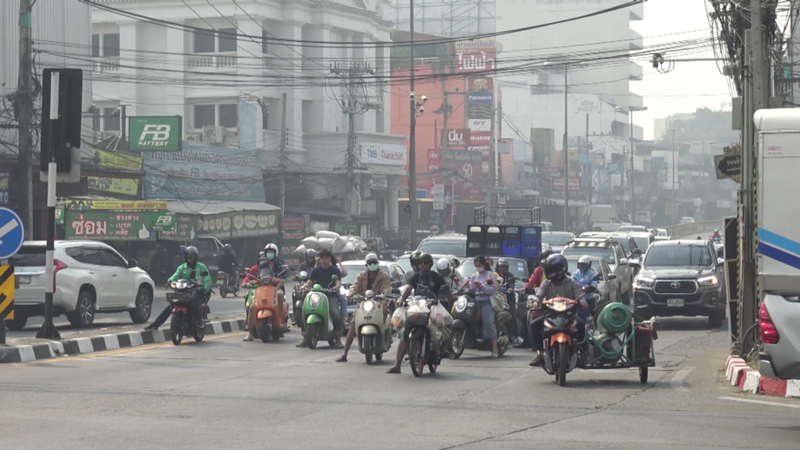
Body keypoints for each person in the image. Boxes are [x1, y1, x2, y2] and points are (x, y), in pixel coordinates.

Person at [386, 253, 449, 374]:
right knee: (404, 333)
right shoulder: (415, 277)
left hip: (433, 306)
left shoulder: (437, 277)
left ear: (430, 264)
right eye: (420, 263)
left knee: (447, 323)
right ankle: (397, 366)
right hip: (416, 306)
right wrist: (401, 299)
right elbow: (408, 288)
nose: (422, 265)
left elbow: (444, 290)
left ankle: (443, 350)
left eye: (425, 263)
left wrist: (441, 297)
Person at [528, 254, 585, 367]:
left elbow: (580, 297)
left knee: (581, 325)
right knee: (534, 325)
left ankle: (579, 352)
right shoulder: (546, 284)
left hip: (569, 315)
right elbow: (538, 296)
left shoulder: (572, 283)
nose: (548, 272)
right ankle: (540, 353)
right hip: (550, 315)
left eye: (551, 269)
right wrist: (535, 302)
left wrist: (582, 302)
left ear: (561, 269)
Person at [336, 253, 392, 362]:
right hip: (363, 304)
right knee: (352, 326)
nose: (372, 265)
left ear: (377, 263)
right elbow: (354, 286)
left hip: (379, 303)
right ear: (366, 265)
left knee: (384, 312)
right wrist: (351, 293)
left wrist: (384, 296)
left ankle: (384, 336)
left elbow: (386, 290)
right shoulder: (361, 276)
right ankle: (344, 354)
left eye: (374, 262)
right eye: (370, 263)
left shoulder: (384, 276)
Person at [146, 246, 210, 331]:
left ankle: (200, 321)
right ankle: (156, 324)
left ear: (196, 257)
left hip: (198, 291)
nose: (190, 259)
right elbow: (175, 275)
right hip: (185, 290)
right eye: (189, 256)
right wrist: (169, 281)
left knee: (192, 301)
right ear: (185, 257)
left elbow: (207, 279)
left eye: (192, 257)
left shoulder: (201, 267)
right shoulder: (182, 267)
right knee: (172, 304)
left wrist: (205, 288)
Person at [299, 249, 344, 348]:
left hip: (331, 295)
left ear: (330, 258)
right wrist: (304, 286)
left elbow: (338, 282)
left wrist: (336, 287)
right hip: (317, 295)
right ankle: (305, 338)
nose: (324, 260)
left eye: (326, 258)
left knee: (335, 313)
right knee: (304, 311)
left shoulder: (335, 270)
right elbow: (310, 282)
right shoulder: (316, 270)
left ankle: (338, 339)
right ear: (319, 259)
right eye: (322, 258)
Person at [243, 244, 287, 341]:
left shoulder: (280, 265)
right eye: (268, 252)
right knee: (252, 307)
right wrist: (252, 282)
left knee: (280, 294)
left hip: (276, 288)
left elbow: (282, 280)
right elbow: (258, 277)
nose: (270, 254)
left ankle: (279, 318)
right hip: (263, 289)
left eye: (271, 252)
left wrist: (276, 288)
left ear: (275, 253)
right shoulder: (262, 265)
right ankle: (250, 332)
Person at [468, 255, 500, 358]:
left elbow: (493, 289)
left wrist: (481, 287)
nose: (478, 267)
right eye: (476, 266)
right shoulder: (474, 276)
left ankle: (495, 348)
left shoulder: (490, 275)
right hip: (475, 302)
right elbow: (471, 289)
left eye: (479, 265)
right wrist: (467, 287)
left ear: (484, 265)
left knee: (489, 322)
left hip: (487, 302)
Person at [496, 258, 523, 345]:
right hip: (497, 298)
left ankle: (517, 335)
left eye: (504, 267)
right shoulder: (495, 275)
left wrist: (510, 289)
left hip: (508, 299)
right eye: (501, 267)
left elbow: (511, 285)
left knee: (512, 315)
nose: (503, 268)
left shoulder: (510, 276)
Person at [571, 255, 599, 323]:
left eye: (584, 264)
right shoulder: (575, 274)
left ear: (589, 265)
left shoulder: (592, 274)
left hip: (588, 296)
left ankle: (595, 323)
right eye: (581, 264)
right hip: (577, 297)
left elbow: (594, 283)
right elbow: (572, 282)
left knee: (594, 312)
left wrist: (590, 287)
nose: (582, 266)